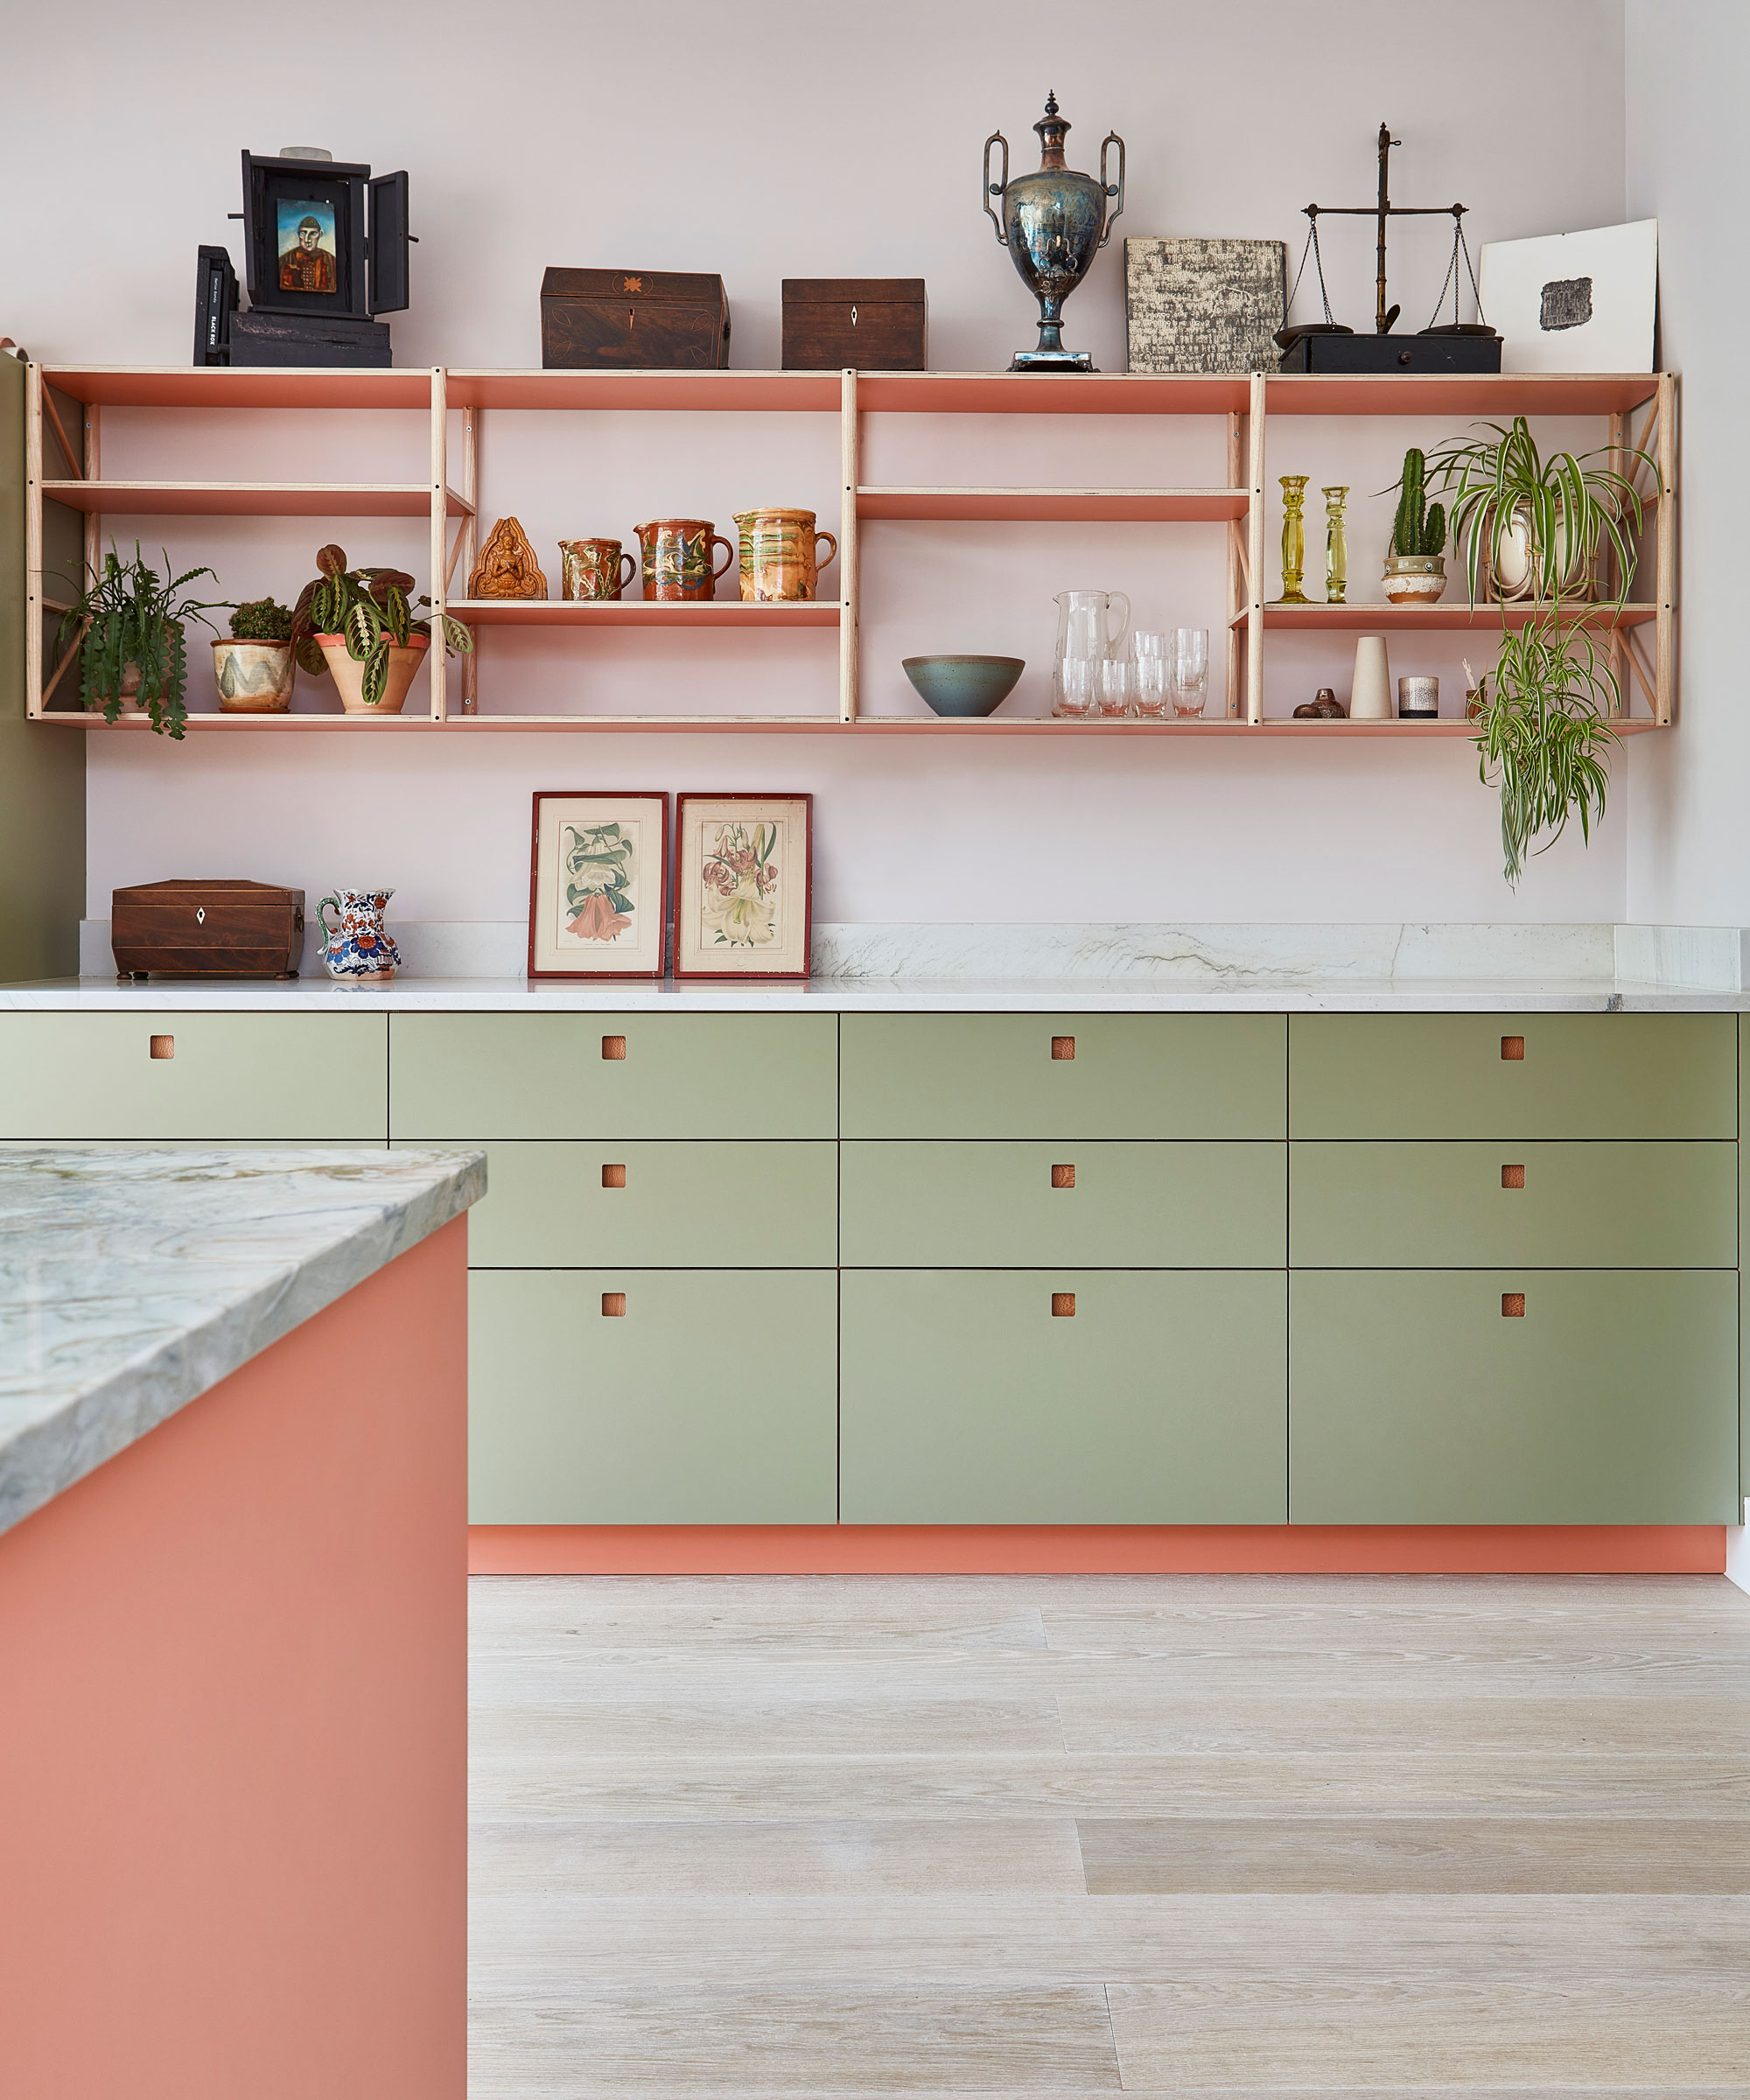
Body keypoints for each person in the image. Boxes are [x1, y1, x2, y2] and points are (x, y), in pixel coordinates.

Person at [278, 214, 335, 294]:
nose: (307, 239)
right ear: (298, 235)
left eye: (313, 234)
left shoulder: (332, 261)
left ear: (320, 234)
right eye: (303, 234)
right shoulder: (284, 261)